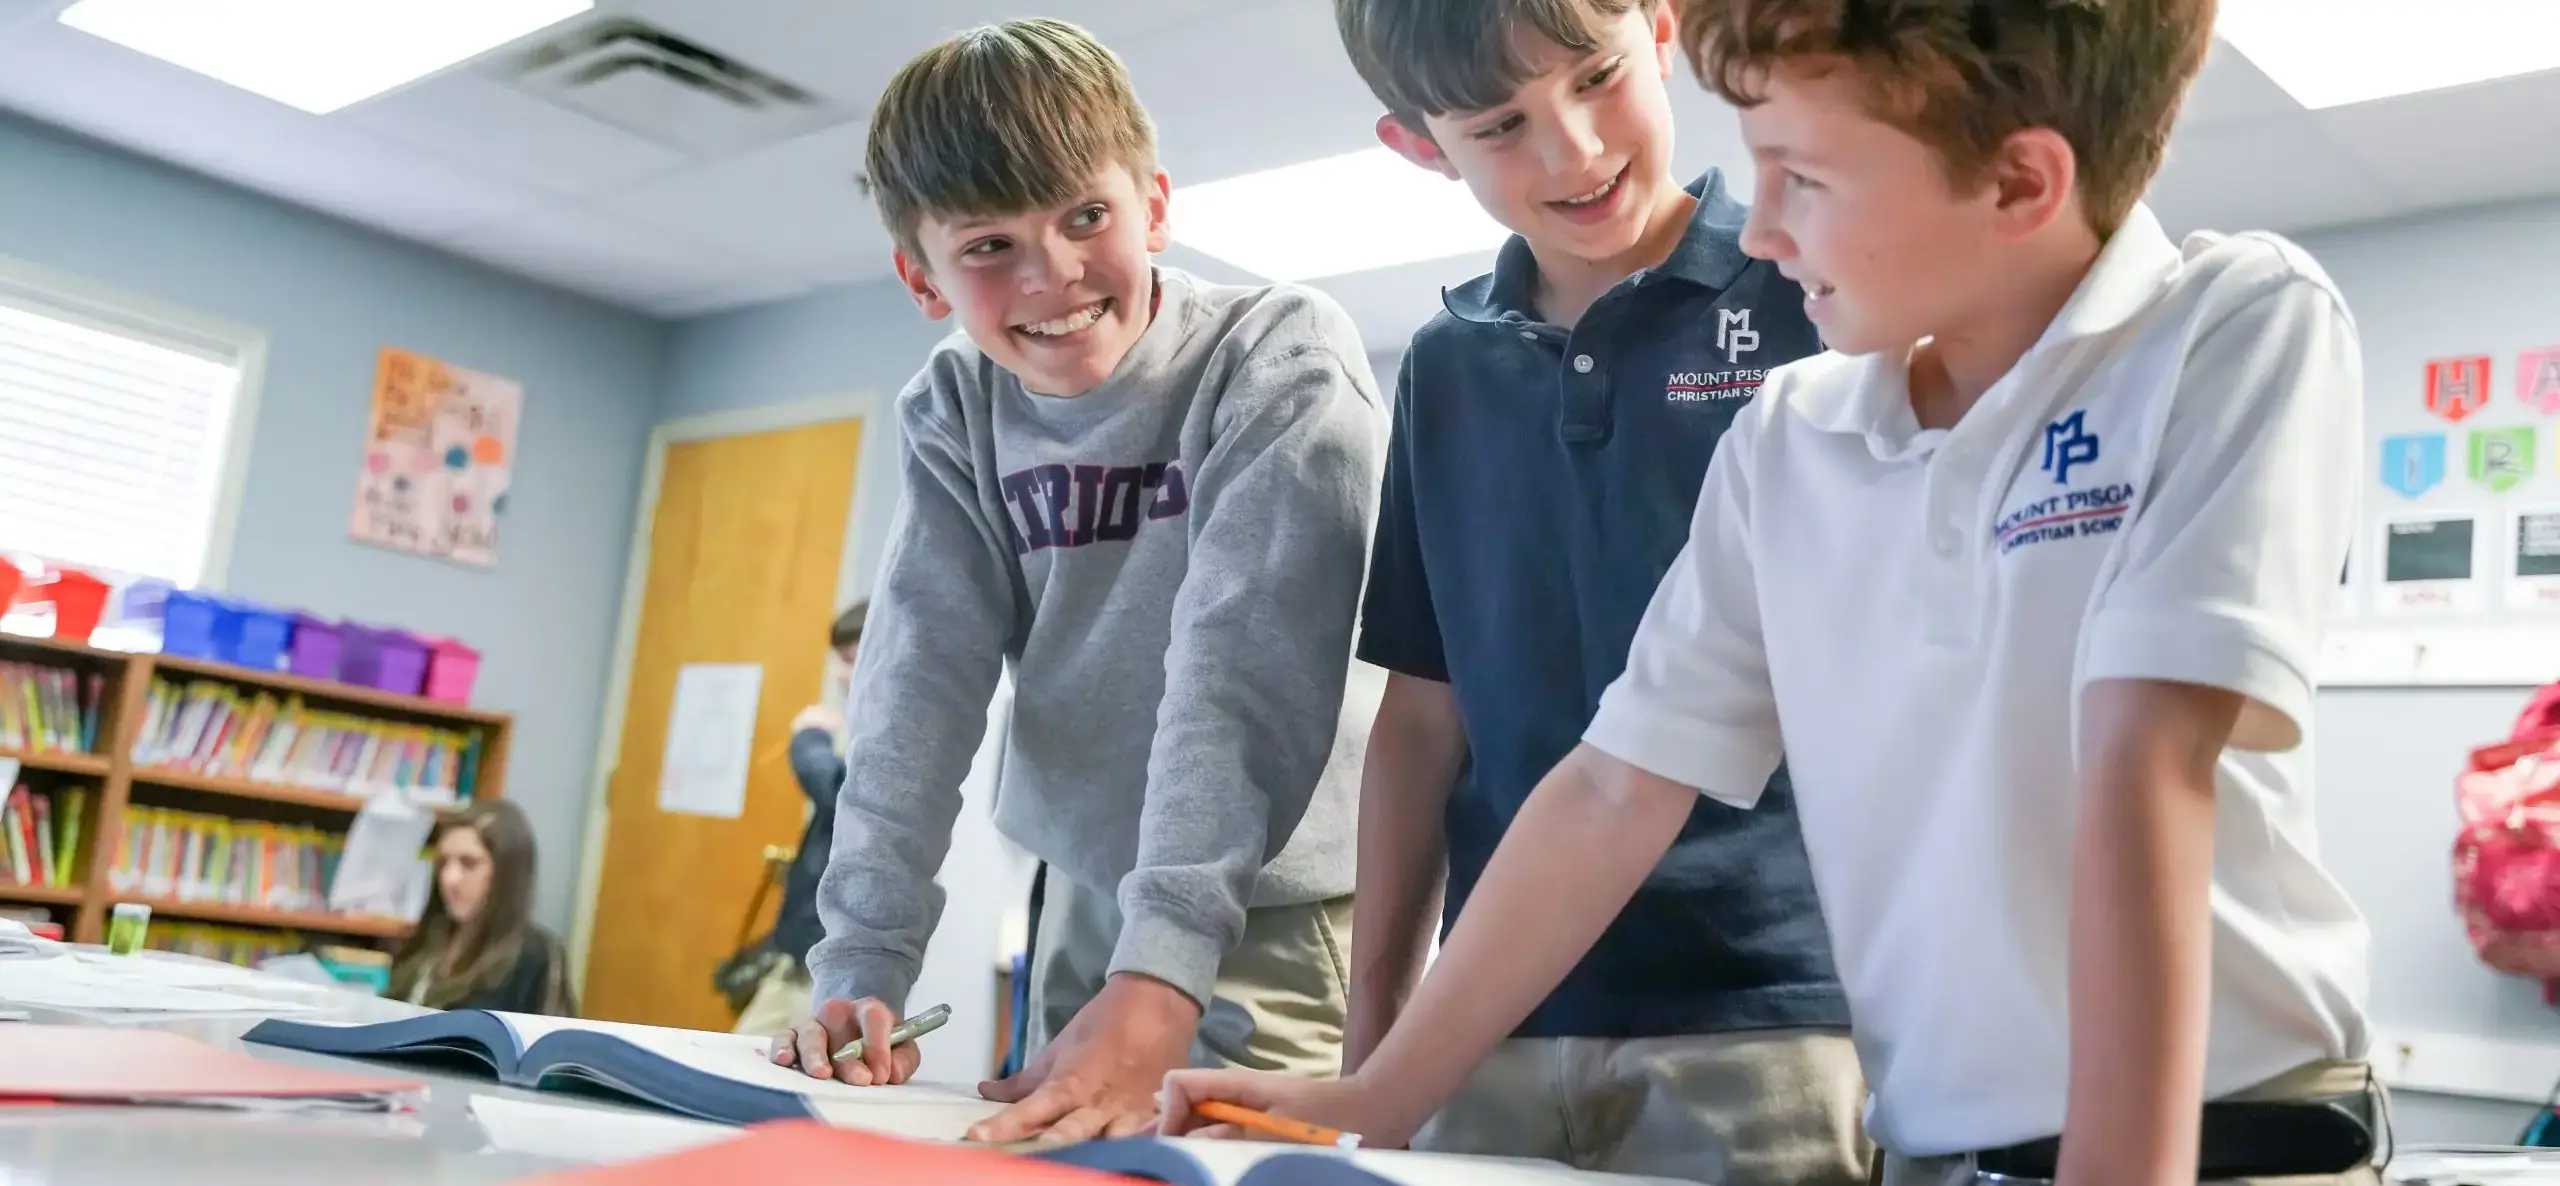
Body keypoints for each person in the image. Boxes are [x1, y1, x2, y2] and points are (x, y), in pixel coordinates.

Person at [1166, 1, 2382, 1183]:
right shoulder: (1797, 430)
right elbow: (1610, 783)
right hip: (1947, 1147)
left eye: (1800, 177)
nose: (1758, 231)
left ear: (2018, 184)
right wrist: (1374, 1092)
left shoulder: (2228, 323)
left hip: (2231, 1138)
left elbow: (2142, 759)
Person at [773, 17, 1388, 1146]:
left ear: (1153, 203)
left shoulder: (1276, 357)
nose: (1051, 275)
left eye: (1085, 219)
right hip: (1087, 894)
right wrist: (863, 960)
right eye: (988, 247)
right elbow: (917, 684)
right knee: (1065, 1158)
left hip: (1276, 904)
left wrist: (1162, 972)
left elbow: (1238, 678)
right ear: (921, 277)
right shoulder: (958, 405)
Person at [1325, 1, 1860, 1182]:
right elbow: (1422, 715)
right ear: (1420, 144)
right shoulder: (1445, 365)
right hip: (1489, 1022)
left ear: (1661, 31)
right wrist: (1379, 1041)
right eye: (1500, 123)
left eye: (1596, 78)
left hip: (1770, 1006)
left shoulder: (1810, 292)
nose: (1570, 149)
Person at [730, 601, 867, 1038]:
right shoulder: (862, 720)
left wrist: (809, 740)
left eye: (851, 659)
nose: (841, 676)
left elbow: (842, 794)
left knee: (754, 1059)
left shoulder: (892, 722)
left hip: (831, 950)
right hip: (806, 946)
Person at [388, 798, 575, 1016]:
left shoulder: (535, 955)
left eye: (469, 863)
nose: (449, 878)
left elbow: (555, 1044)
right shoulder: (427, 940)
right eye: (443, 862)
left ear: (507, 872)